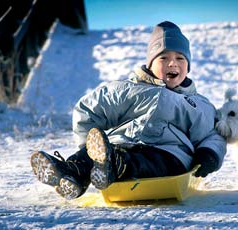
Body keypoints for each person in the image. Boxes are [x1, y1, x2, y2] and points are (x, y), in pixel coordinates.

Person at [30, 21, 227, 200]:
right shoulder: (128, 89)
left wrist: (210, 153)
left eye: (180, 58)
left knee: (139, 161)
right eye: (163, 57)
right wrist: (85, 147)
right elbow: (88, 109)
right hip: (120, 145)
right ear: (150, 63)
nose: (172, 63)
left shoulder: (197, 103)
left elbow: (212, 134)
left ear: (188, 66)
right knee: (98, 153)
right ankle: (71, 173)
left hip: (168, 154)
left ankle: (111, 167)